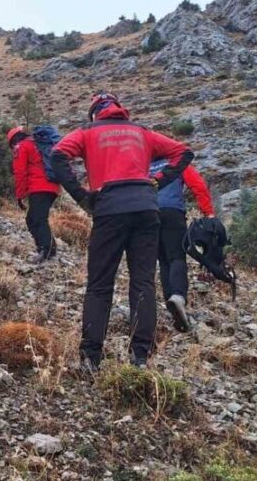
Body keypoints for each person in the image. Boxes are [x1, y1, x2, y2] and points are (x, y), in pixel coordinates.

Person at [51, 92, 193, 371]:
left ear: (94, 113)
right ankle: (140, 356)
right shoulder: (142, 132)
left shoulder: (88, 132)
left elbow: (57, 156)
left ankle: (91, 357)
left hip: (110, 209)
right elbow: (183, 152)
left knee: (100, 284)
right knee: (143, 283)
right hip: (146, 208)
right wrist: (157, 181)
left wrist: (81, 196)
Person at [149, 157, 216, 333]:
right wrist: (208, 213)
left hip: (147, 214)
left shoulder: (145, 164)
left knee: (163, 260)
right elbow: (198, 186)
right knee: (176, 257)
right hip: (172, 212)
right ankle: (178, 296)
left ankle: (171, 306)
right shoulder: (177, 162)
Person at [8, 126, 59, 263]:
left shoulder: (22, 147)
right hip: (52, 187)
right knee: (32, 219)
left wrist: (20, 195)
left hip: (38, 187)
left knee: (37, 219)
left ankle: (46, 251)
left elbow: (20, 172)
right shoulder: (38, 145)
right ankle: (47, 248)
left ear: (13, 141)